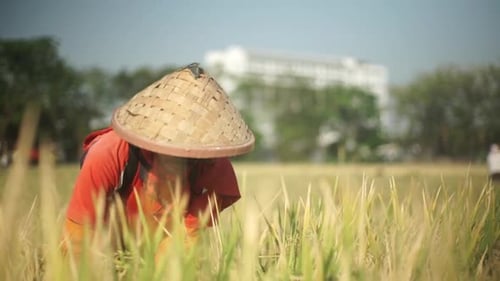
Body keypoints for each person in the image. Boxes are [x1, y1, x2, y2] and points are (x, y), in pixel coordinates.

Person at [61, 63, 255, 261]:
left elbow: (185, 238)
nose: (179, 153)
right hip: (103, 245)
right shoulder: (109, 153)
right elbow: (77, 240)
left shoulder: (213, 166)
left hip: (159, 243)